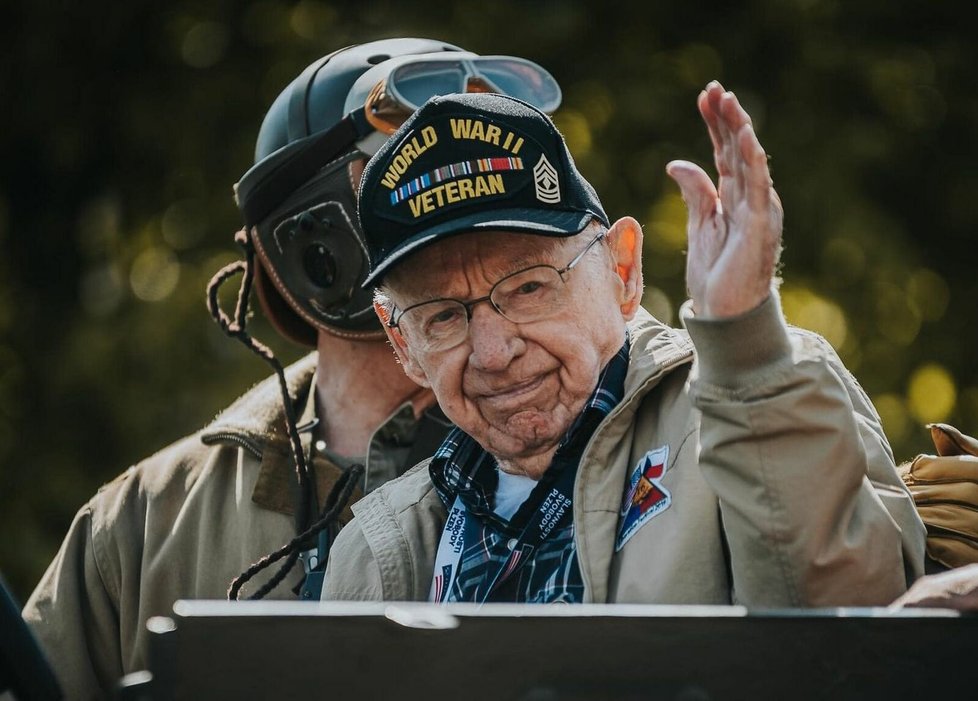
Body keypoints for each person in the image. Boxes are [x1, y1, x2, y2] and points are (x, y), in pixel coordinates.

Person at [22, 39, 564, 697]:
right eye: (425, 177)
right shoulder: (150, 521)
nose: (478, 208)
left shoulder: (605, 455)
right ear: (317, 245)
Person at [321, 86, 927, 606]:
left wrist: (745, 345)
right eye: (443, 316)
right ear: (402, 342)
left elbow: (852, 643)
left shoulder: (759, 397)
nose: (493, 351)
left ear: (623, 269)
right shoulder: (376, 549)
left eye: (529, 286)